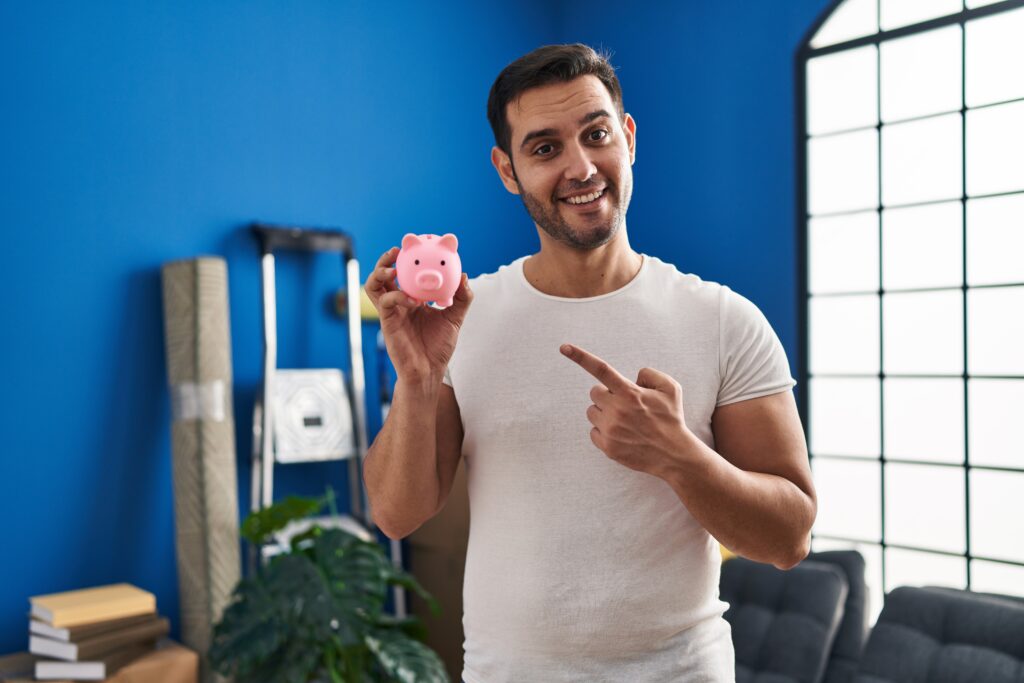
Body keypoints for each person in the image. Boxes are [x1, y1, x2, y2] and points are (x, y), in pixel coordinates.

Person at [363, 43, 816, 683]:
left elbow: (788, 538)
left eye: (596, 134)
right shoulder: (467, 315)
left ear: (627, 138)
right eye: (544, 148)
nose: (581, 167)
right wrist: (418, 379)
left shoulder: (723, 319)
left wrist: (678, 457)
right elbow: (395, 512)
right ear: (507, 170)